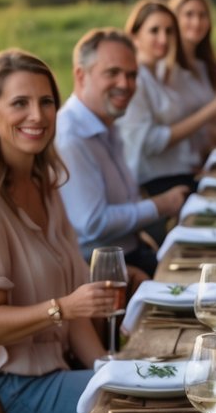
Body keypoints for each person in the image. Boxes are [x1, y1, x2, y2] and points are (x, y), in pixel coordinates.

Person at [0, 49, 115, 413]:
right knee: (145, 409)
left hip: (58, 370)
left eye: (46, 102)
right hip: (16, 390)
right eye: (19, 103)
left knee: (149, 392)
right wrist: (63, 307)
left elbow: (75, 320)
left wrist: (108, 368)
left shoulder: (45, 184)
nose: (37, 116)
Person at [57, 28, 189, 275]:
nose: (125, 84)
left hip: (130, 252)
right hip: (99, 272)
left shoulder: (107, 123)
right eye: (113, 73)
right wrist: (161, 205)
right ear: (81, 75)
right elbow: (92, 224)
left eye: (131, 75)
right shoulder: (71, 137)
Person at [118, 0, 216, 196]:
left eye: (169, 31)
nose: (164, 39)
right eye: (154, 31)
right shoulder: (136, 80)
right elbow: (150, 143)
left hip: (182, 172)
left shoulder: (159, 75)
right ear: (135, 36)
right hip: (156, 184)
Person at [169, 0, 216, 163]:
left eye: (202, 15)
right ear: (174, 19)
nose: (197, 22)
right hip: (184, 165)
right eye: (189, 15)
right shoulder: (169, 70)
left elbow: (211, 123)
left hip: (206, 157)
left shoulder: (203, 66)